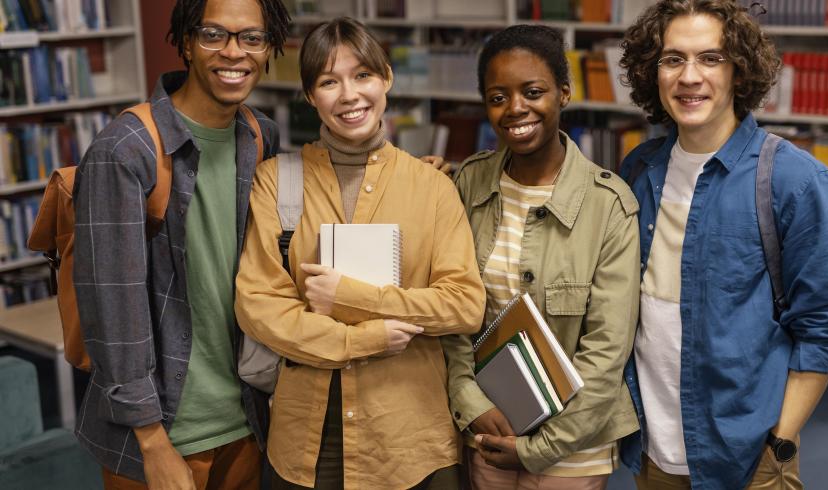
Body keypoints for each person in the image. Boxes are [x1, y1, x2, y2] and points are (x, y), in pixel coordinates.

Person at [234, 17, 486, 489]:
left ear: (386, 78)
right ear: (310, 96)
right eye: (329, 82)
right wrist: (366, 340)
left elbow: (465, 304)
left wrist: (350, 298)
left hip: (410, 437)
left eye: (362, 75)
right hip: (307, 438)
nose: (349, 95)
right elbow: (260, 308)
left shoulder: (432, 187)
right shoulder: (276, 182)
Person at [617, 1, 828, 488]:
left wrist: (779, 445)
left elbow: (826, 329)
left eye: (711, 58)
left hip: (747, 458)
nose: (690, 76)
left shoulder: (795, 181)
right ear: (652, 72)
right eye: (672, 59)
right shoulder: (638, 171)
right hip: (653, 452)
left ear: (739, 70)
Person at [72, 0, 291, 488]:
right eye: (214, 34)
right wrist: (152, 441)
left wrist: (407, 178)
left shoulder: (260, 136)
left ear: (269, 47)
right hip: (162, 432)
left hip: (248, 420)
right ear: (187, 42)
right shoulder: (125, 150)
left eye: (251, 38)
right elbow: (112, 310)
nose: (234, 52)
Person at [441, 24, 641, 490]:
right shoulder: (466, 184)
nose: (515, 109)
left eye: (533, 92)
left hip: (573, 447)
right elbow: (452, 317)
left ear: (564, 93)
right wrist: (471, 404)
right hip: (488, 429)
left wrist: (540, 449)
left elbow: (607, 351)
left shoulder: (608, 204)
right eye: (497, 97)